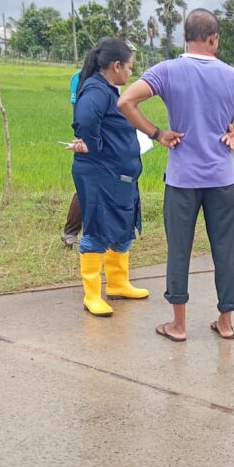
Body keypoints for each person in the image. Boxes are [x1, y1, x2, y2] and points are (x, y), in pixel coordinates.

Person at [118, 8, 234, 342]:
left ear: (185, 37)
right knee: (225, 249)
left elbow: (125, 102)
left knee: (179, 250)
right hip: (222, 179)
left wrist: (157, 133)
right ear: (214, 39)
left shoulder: (167, 71)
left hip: (182, 181)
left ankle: (178, 325)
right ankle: (225, 322)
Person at [70, 38, 157, 316]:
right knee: (97, 227)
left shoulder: (109, 89)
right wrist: (92, 145)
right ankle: (92, 294)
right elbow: (84, 119)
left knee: (121, 221)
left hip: (120, 174)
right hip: (100, 173)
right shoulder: (96, 90)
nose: (131, 73)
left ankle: (118, 283)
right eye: (130, 67)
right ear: (116, 65)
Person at [61, 69, 83, 248]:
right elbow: (77, 109)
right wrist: (81, 134)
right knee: (84, 188)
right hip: (88, 138)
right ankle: (70, 233)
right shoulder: (80, 76)